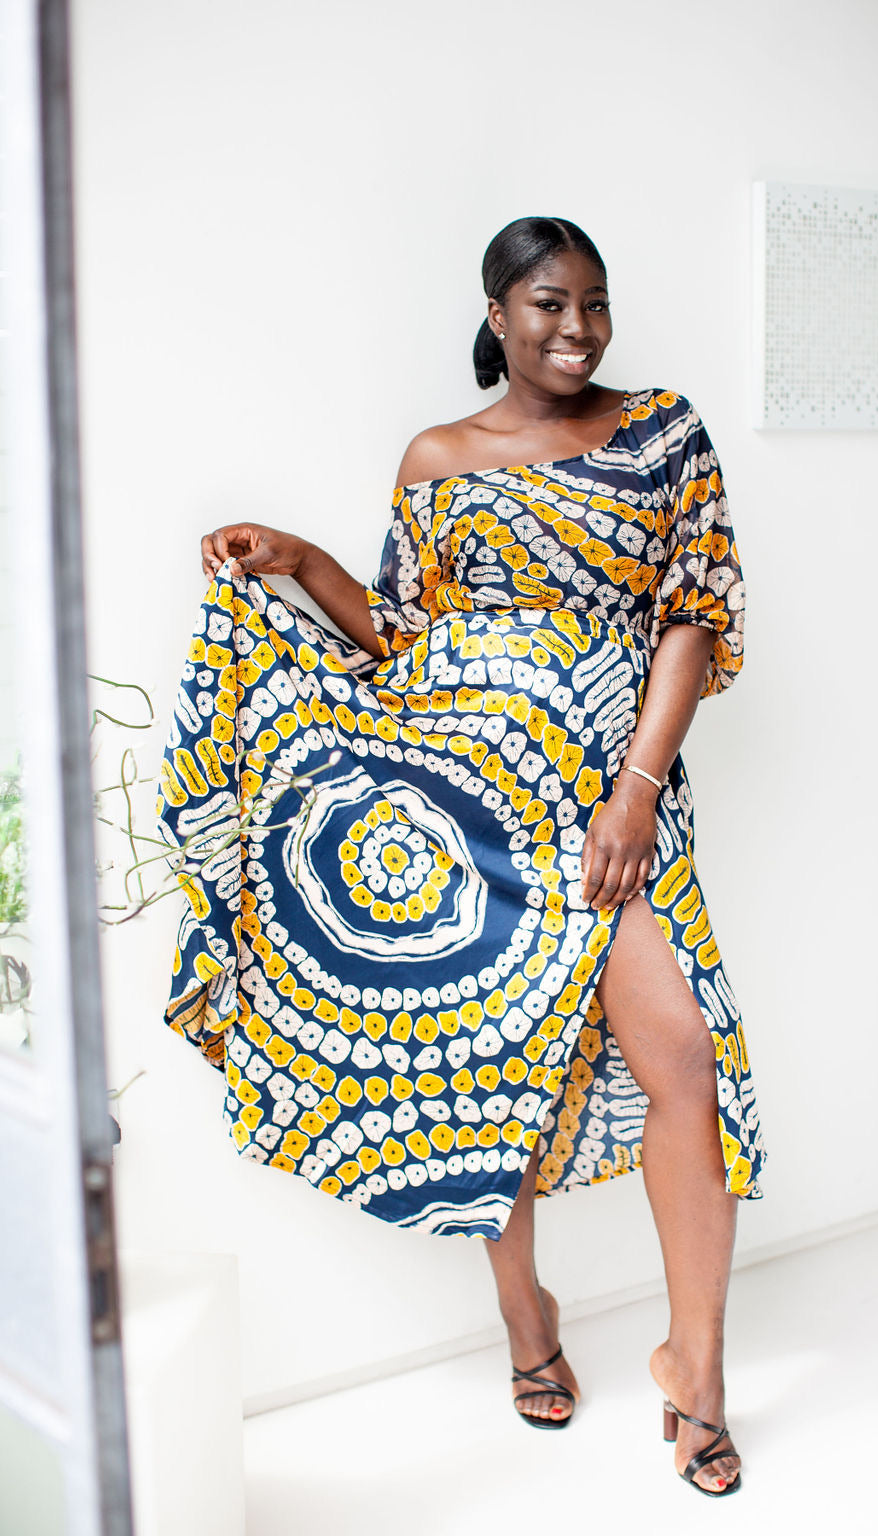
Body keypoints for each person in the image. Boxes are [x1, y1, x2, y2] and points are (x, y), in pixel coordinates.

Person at [166, 216, 766, 1498]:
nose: (578, 328)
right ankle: (523, 1315)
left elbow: (692, 616)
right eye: (550, 303)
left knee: (683, 1061)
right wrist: (302, 561)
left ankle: (697, 1366)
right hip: (469, 810)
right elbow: (402, 636)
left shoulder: (661, 434)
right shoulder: (437, 458)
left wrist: (636, 791)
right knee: (487, 1065)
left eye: (595, 303)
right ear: (497, 312)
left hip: (610, 805)